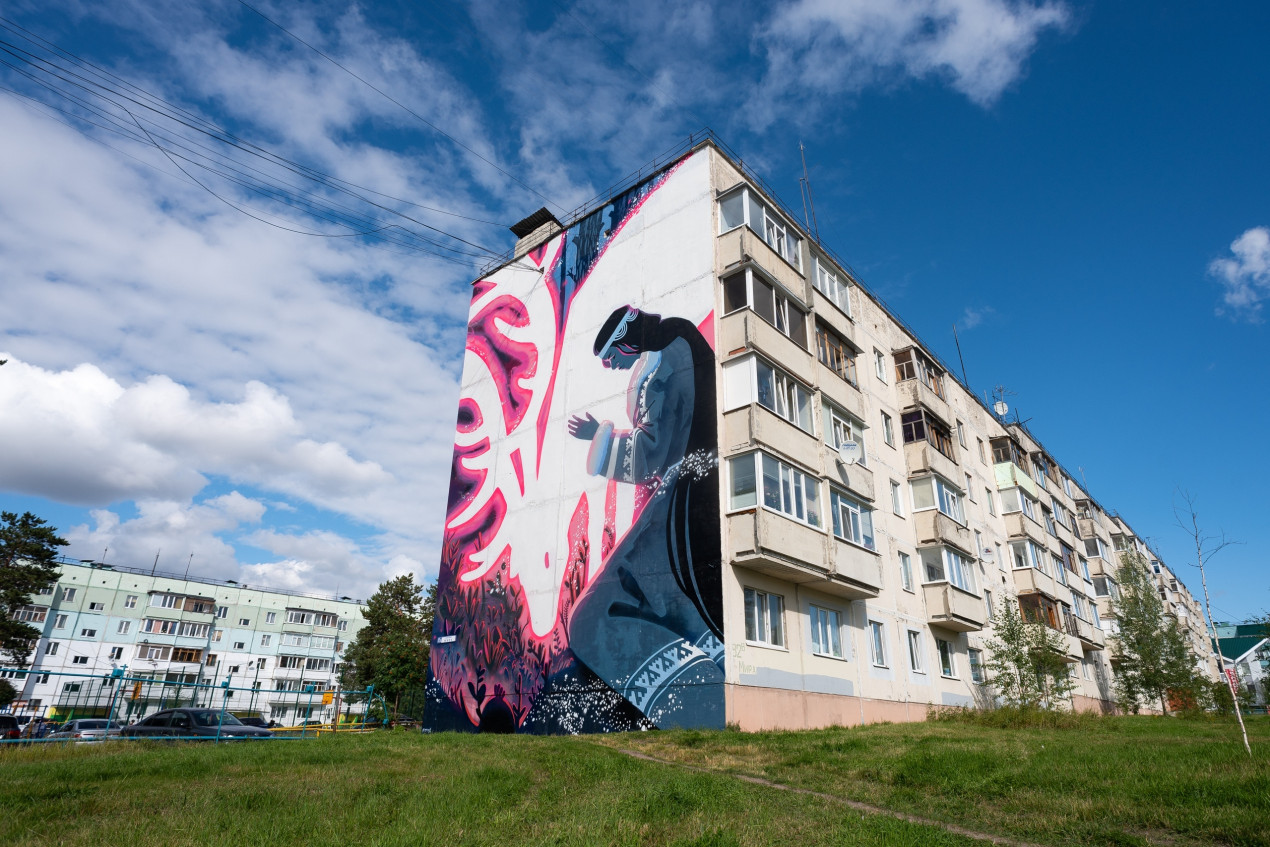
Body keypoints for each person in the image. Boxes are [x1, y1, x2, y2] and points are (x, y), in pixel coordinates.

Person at [565, 305, 725, 729]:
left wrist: (599, 437)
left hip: (682, 503)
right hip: (697, 496)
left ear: (626, 339)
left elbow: (651, 455)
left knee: (590, 618)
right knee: (678, 605)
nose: (615, 367)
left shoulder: (660, 363)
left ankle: (693, 704)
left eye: (614, 358)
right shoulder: (681, 340)